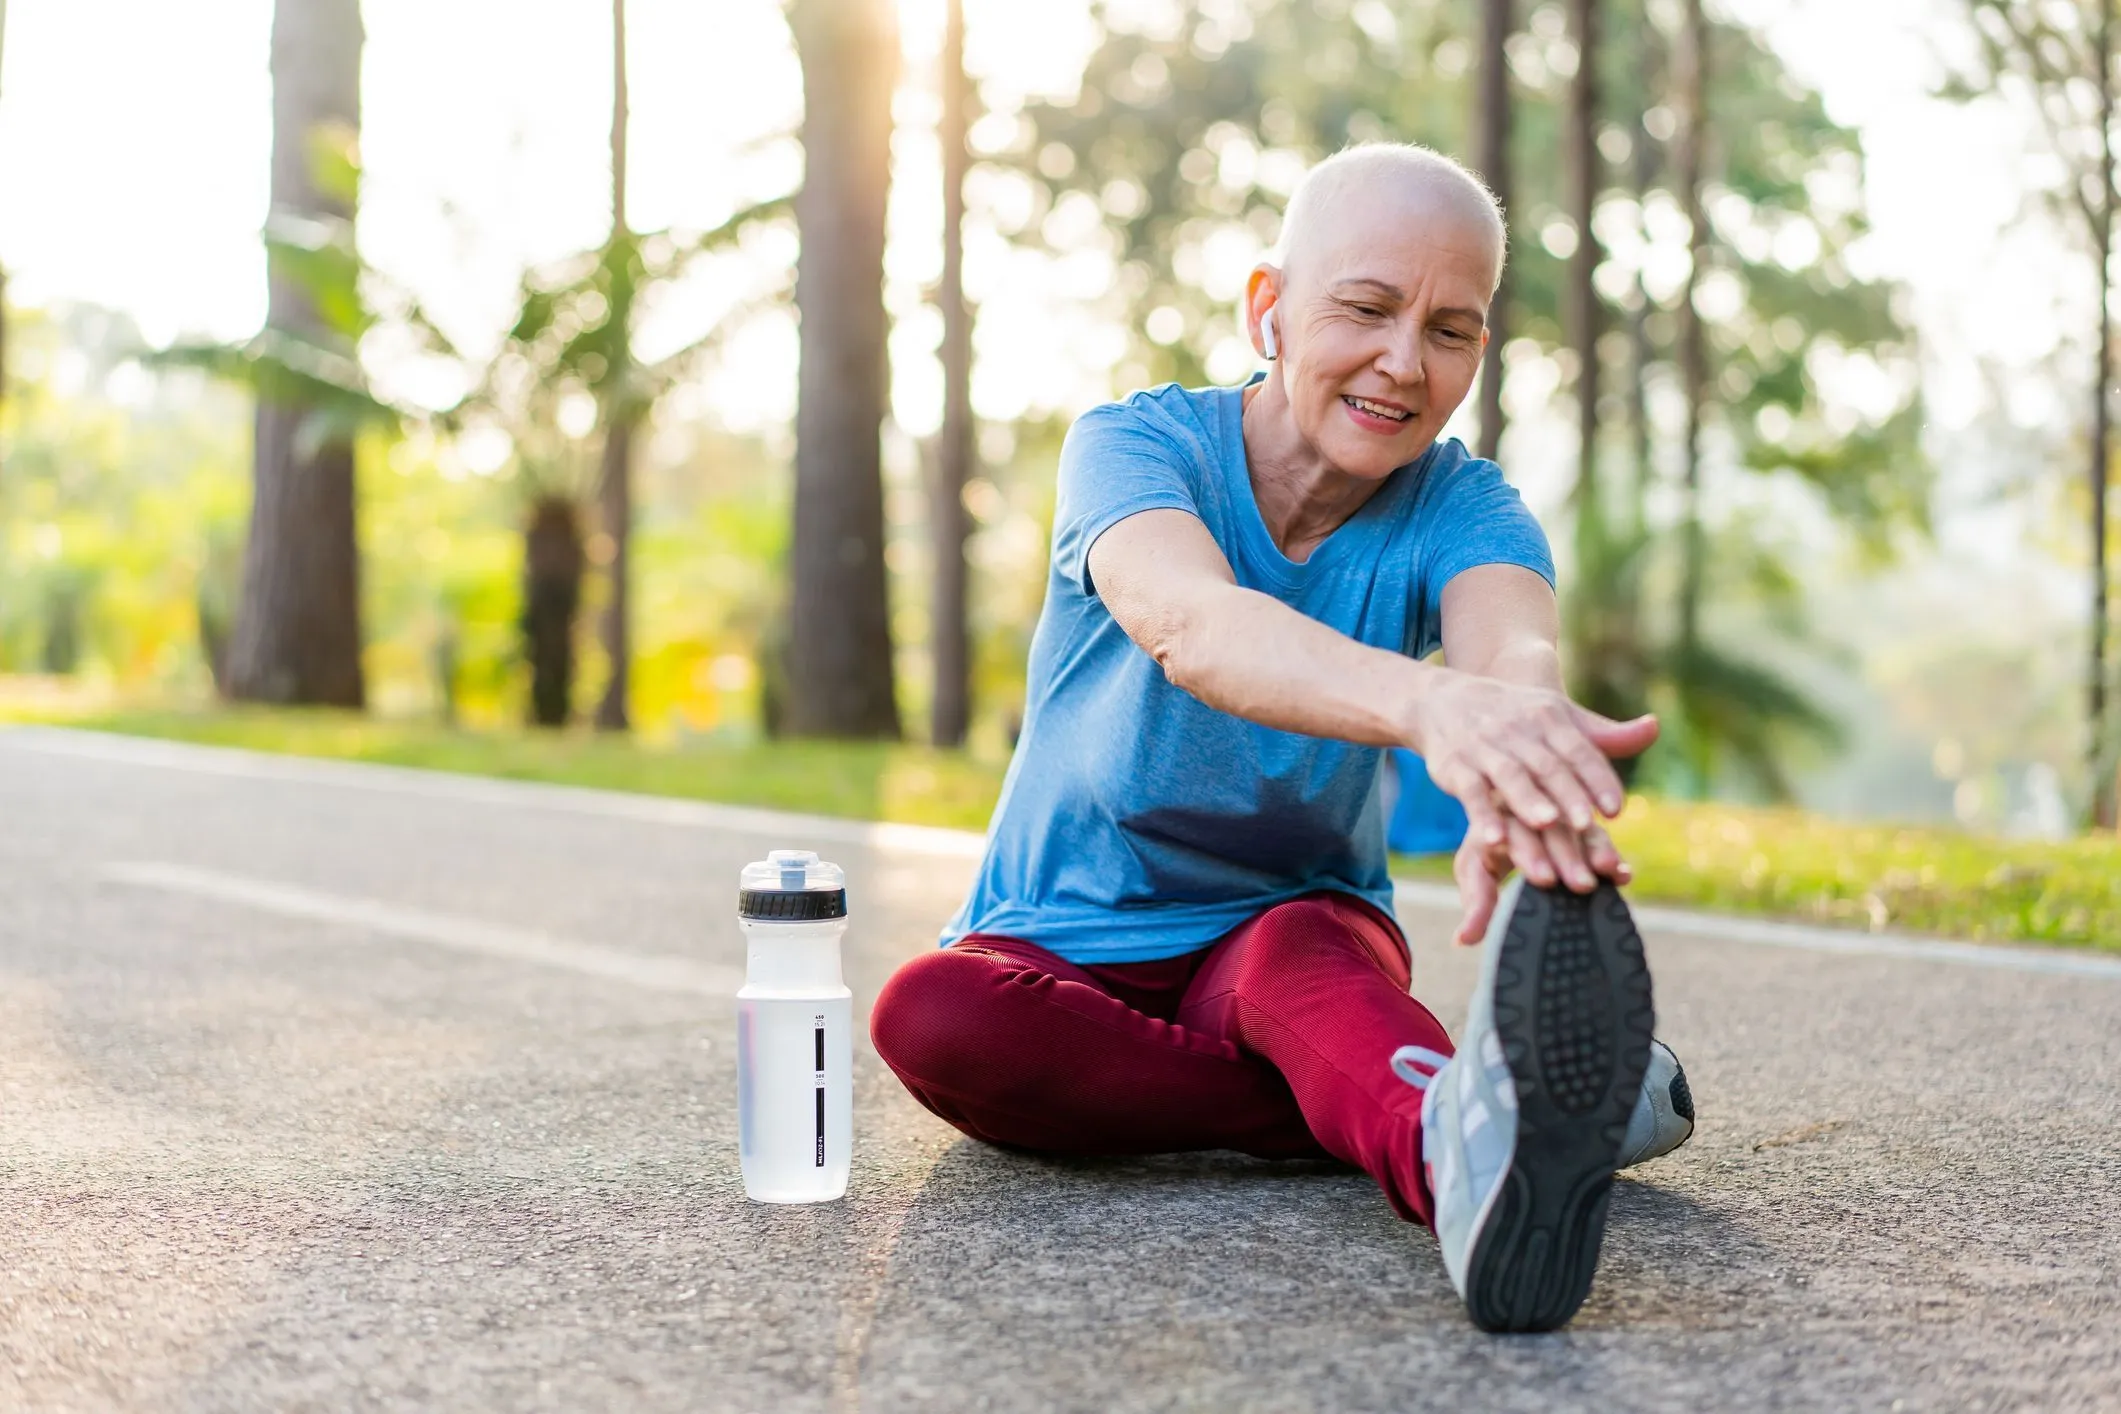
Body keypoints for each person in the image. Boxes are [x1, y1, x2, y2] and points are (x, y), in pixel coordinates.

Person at [869, 143, 1695, 1333]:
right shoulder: (1137, 448)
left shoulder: (1466, 506)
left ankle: (1450, 1156)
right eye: (1366, 309)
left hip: (1291, 930)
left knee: (1302, 964)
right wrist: (1428, 707)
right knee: (934, 1015)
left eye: (1452, 330)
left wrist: (1518, 734)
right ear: (1269, 308)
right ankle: (1475, 1104)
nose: (1404, 363)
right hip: (1058, 945)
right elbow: (1197, 625)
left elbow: (1512, 649)